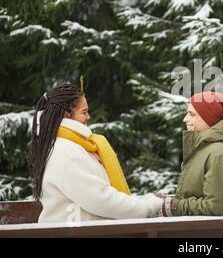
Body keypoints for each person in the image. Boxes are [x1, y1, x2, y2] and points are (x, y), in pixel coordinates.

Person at [30, 82, 162, 223]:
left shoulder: (72, 146)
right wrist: (148, 207)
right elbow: (101, 199)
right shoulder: (67, 152)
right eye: (84, 112)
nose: (88, 117)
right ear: (66, 115)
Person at [158, 91, 223, 216]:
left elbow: (219, 207)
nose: (185, 119)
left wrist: (172, 206)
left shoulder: (221, 155)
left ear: (209, 118)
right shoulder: (204, 150)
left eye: (192, 114)